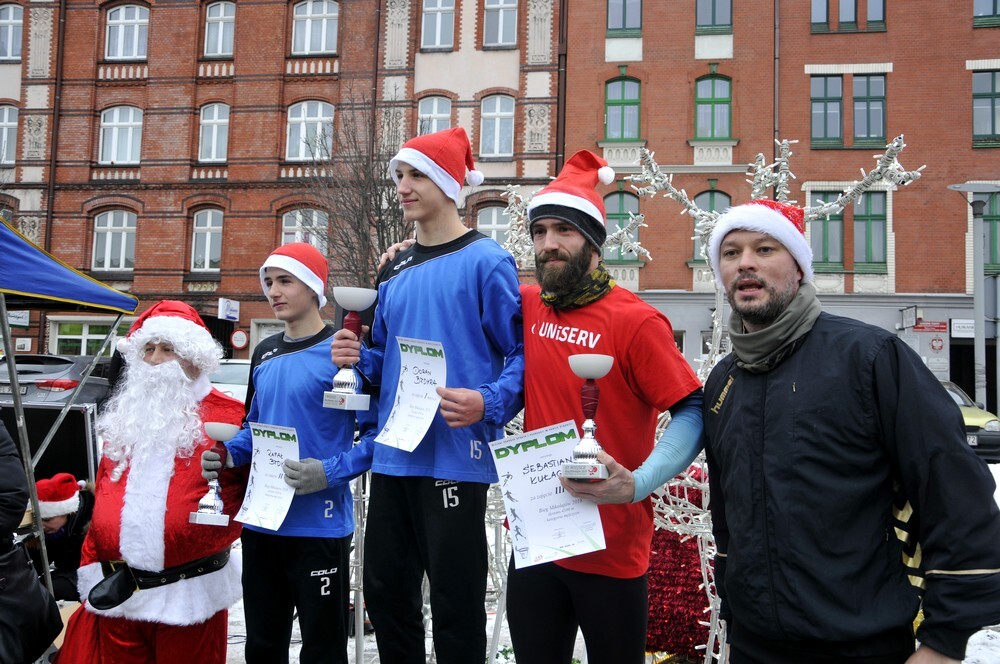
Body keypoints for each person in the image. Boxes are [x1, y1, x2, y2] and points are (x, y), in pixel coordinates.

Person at [702, 199, 1000, 664]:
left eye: (764, 249)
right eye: (730, 252)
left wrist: (945, 642)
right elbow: (728, 517)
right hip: (754, 648)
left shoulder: (870, 358)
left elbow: (953, 489)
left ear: (798, 267)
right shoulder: (724, 380)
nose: (745, 263)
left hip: (862, 645)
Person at [329, 126, 524, 663]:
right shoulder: (393, 268)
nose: (403, 186)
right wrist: (357, 359)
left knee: (456, 602)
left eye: (416, 174)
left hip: (455, 458)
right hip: (394, 456)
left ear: (447, 182)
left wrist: (488, 401)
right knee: (386, 594)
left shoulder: (488, 260)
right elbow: (385, 360)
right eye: (399, 176)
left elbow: (519, 353)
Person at [503, 150, 705, 664]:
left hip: (611, 548)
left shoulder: (636, 322)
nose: (548, 244)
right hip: (537, 540)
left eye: (564, 231)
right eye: (540, 230)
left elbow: (693, 410)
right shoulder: (527, 305)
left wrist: (636, 482)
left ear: (593, 241)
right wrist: (409, 252)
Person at [56, 300, 247, 664]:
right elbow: (105, 496)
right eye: (148, 349)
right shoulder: (124, 413)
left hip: (190, 596)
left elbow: (251, 494)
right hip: (119, 595)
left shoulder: (230, 416)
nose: (155, 358)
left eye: (168, 349)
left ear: (194, 356)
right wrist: (90, 567)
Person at [202, 242, 359, 664]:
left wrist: (329, 472)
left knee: (323, 649)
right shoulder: (264, 351)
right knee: (264, 646)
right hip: (264, 524)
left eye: (285, 280)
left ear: (313, 288)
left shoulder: (342, 352)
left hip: (319, 527)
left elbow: (379, 435)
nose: (274, 290)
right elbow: (256, 424)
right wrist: (229, 454)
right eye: (269, 281)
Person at [30, 472, 94, 601]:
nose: (41, 525)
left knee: (50, 589)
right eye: (38, 520)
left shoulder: (94, 521)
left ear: (68, 511)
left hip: (96, 576)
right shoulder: (54, 529)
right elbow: (33, 565)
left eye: (47, 519)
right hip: (69, 572)